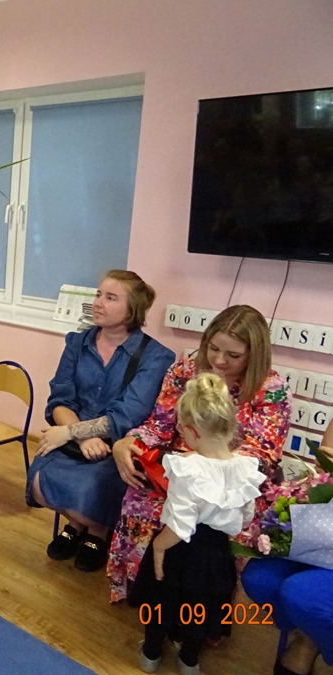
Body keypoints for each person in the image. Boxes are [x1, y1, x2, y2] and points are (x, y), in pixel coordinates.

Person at [108, 305, 291, 603]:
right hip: (177, 471)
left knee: (215, 523)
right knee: (138, 501)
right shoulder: (183, 372)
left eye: (233, 355)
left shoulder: (270, 389)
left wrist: (202, 469)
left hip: (232, 477)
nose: (219, 360)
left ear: (254, 355)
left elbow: (261, 454)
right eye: (213, 348)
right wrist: (128, 442)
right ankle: (148, 590)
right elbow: (159, 426)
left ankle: (199, 603)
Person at [27, 270, 175, 572]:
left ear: (132, 310)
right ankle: (78, 525)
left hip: (118, 444)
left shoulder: (155, 357)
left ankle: (96, 532)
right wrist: (80, 436)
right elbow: (60, 399)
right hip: (76, 436)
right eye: (98, 294)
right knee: (39, 481)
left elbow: (128, 415)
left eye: (110, 298)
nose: (98, 303)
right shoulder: (77, 343)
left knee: (91, 487)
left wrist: (68, 432)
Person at [131, 373, 265, 675]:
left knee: (161, 603)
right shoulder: (246, 468)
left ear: (192, 431)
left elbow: (181, 524)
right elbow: (245, 517)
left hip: (179, 551)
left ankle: (151, 653)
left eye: (181, 427)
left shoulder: (188, 468)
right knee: (201, 609)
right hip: (216, 554)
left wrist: (159, 548)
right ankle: (189, 660)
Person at [240, 422, 333, 675]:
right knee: (259, 580)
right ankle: (311, 632)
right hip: (326, 532)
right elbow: (325, 466)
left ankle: (313, 642)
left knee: (301, 594)